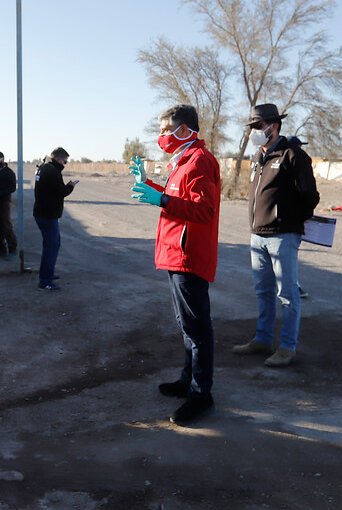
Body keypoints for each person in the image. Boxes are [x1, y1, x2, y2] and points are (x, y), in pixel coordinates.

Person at [131, 104, 221, 425]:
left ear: (184, 130)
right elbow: (174, 196)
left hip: (188, 256)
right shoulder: (183, 160)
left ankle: (201, 394)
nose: (162, 136)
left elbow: (203, 210)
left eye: (166, 129)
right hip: (175, 254)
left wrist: (163, 200)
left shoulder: (199, 161)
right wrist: (151, 186)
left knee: (197, 329)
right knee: (187, 326)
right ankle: (188, 380)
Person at [232, 104, 319, 367]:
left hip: (283, 235)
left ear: (274, 126)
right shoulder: (258, 158)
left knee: (287, 294)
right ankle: (263, 339)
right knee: (263, 291)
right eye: (252, 127)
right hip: (257, 235)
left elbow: (310, 197)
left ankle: (287, 347)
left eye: (258, 126)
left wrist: (289, 221)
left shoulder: (293, 155)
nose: (255, 132)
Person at [32, 147, 78, 290]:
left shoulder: (44, 168)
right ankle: (45, 281)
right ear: (58, 159)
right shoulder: (52, 171)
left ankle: (48, 274)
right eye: (65, 161)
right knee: (51, 248)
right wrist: (71, 185)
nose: (65, 164)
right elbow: (61, 191)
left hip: (43, 213)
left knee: (53, 245)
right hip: (47, 215)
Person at [287, 135, 311, 300]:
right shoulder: (296, 164)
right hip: (290, 224)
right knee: (289, 259)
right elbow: (308, 194)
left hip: (290, 222)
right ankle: (292, 287)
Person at [0, 151, 18, 258]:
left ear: (2, 159)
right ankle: (1, 248)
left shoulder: (9, 173)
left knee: (6, 225)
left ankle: (12, 248)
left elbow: (12, 188)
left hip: (4, 202)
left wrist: (0, 193)